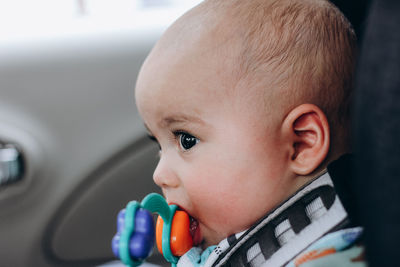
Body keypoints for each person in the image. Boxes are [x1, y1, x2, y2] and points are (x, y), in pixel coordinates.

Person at [134, 0, 365, 266]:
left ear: (300, 143)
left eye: (186, 140)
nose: (159, 175)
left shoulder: (332, 256)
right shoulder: (242, 235)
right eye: (159, 146)